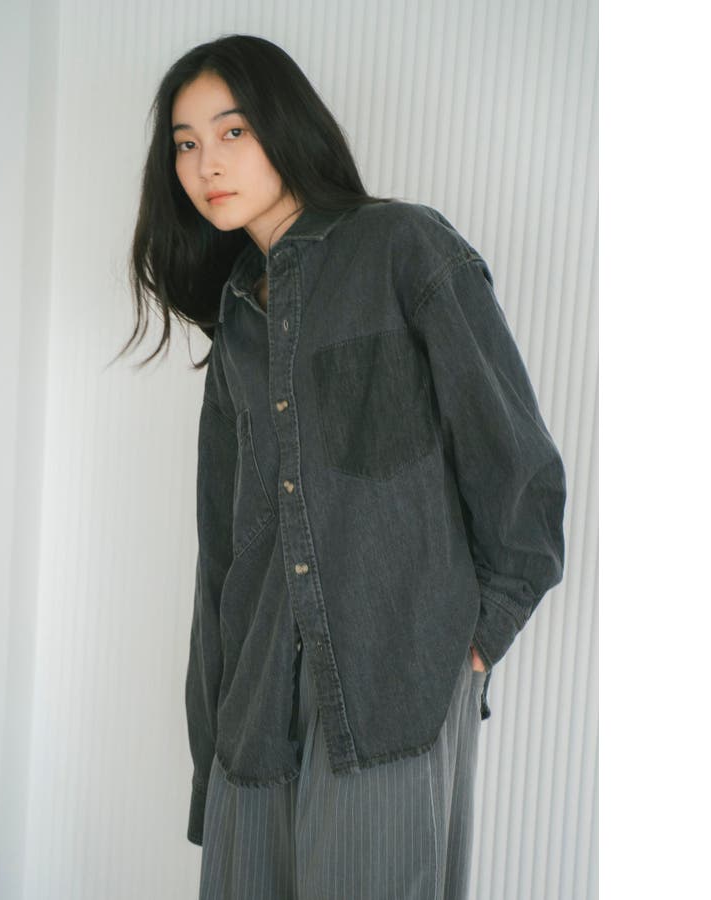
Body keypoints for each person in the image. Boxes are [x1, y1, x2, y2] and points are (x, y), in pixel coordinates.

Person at [122, 33, 566, 900]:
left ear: (286, 125)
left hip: (392, 691)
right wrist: (211, 749)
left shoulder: (404, 248)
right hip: (254, 715)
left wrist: (475, 642)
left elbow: (516, 464)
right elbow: (223, 553)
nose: (207, 163)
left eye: (232, 131)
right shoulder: (237, 318)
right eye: (186, 143)